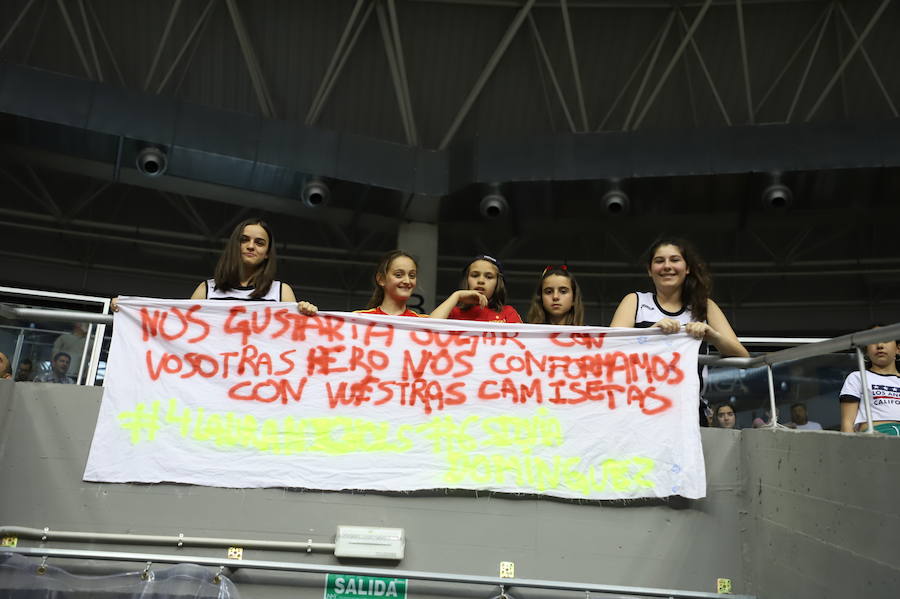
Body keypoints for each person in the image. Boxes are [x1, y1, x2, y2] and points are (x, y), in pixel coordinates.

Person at [610, 237, 748, 425]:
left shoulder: (705, 307)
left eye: (674, 260)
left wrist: (713, 336)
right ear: (650, 271)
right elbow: (610, 354)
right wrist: (650, 333)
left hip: (689, 414)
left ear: (687, 268)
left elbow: (743, 357)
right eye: (659, 261)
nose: (667, 266)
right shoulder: (634, 302)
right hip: (638, 410)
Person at [189, 218, 317, 314]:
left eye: (259, 243)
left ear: (267, 253)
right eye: (244, 240)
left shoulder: (281, 292)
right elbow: (185, 329)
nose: (250, 246)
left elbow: (292, 338)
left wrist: (307, 314)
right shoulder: (206, 290)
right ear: (234, 245)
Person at [839, 332, 900, 435]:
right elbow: (847, 424)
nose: (880, 346)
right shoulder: (858, 377)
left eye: (886, 340)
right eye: (873, 341)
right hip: (875, 436)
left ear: (898, 349)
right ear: (866, 351)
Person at [431, 255, 521, 322]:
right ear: (467, 280)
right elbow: (427, 329)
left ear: (497, 284)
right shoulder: (454, 312)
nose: (481, 280)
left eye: (489, 277)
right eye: (475, 275)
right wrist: (456, 296)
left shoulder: (508, 313)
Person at [356, 250, 428, 317]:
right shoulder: (359, 319)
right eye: (398, 275)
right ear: (381, 279)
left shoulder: (421, 322)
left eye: (412, 276)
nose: (407, 281)